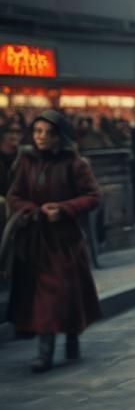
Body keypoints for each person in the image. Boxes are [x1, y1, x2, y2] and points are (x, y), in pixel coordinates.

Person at [4, 111, 101, 373]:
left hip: (64, 241)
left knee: (60, 291)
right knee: (43, 295)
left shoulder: (75, 163)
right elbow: (14, 195)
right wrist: (33, 210)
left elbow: (92, 196)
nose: (41, 138)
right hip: (34, 239)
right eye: (37, 132)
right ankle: (46, 349)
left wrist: (64, 208)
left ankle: (66, 340)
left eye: (48, 133)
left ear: (59, 136)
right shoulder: (26, 161)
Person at [1, 122, 22, 229]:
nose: (15, 136)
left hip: (17, 206)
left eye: (18, 132)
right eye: (11, 132)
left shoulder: (24, 158)